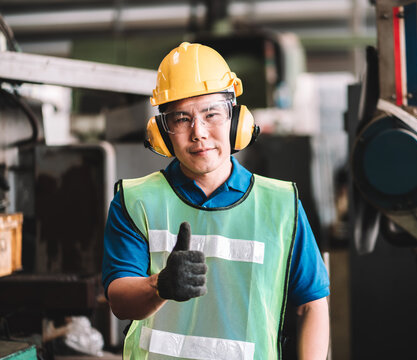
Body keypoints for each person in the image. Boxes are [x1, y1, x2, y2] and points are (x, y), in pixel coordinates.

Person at [102, 42, 330, 360]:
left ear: (236, 119)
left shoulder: (281, 204)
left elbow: (311, 303)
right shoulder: (135, 201)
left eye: (212, 114)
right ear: (162, 132)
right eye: (181, 119)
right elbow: (119, 300)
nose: (199, 132)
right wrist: (159, 286)